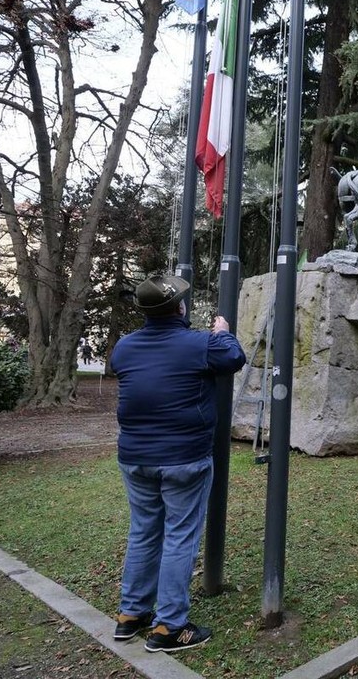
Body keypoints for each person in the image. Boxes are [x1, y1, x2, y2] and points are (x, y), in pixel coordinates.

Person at [110, 274, 247, 652]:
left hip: (135, 459)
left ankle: (131, 614)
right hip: (184, 460)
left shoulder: (124, 347)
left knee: (143, 532)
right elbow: (233, 357)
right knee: (179, 537)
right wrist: (223, 332)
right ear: (180, 308)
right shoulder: (200, 344)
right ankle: (169, 627)